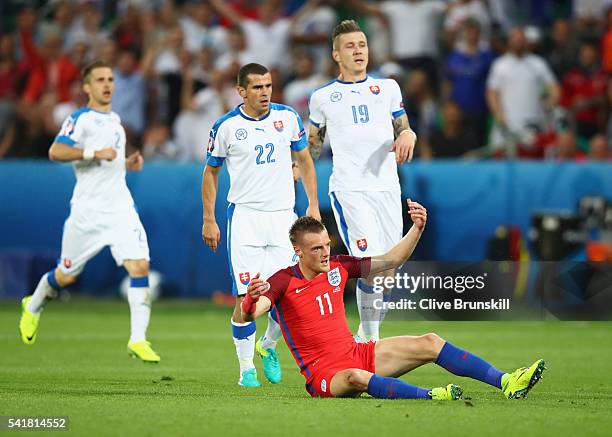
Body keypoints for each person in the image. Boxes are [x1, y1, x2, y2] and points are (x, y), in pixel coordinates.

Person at [241, 201, 546, 399]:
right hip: (325, 375)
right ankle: (431, 395)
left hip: (357, 353)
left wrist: (417, 228)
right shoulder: (283, 280)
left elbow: (391, 259)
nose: (324, 253)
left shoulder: (339, 266)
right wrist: (249, 301)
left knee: (430, 341)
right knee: (356, 377)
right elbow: (252, 313)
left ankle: (508, 382)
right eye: (316, 249)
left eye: (326, 245)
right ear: (299, 252)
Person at [18, 60, 160, 363]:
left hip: (120, 208)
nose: (107, 84)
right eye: (100, 80)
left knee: (139, 267)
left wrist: (126, 162)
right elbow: (56, 151)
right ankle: (33, 304)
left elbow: (108, 163)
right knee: (66, 275)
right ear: (87, 87)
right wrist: (93, 152)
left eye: (110, 79)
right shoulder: (79, 119)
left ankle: (138, 339)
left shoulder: (117, 122)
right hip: (87, 212)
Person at [202, 63, 320, 387]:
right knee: (248, 300)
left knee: (293, 294)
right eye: (257, 87)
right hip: (246, 219)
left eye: (268, 85)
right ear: (241, 91)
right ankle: (245, 371)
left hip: (284, 217)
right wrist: (209, 219)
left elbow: (306, 160)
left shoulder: (288, 119)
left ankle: (268, 345)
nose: (265, 92)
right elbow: (211, 172)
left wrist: (311, 204)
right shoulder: (226, 127)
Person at [308, 20, 416, 342]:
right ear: (336, 54)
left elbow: (403, 127)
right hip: (350, 189)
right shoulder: (323, 97)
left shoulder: (388, 88)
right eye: (350, 46)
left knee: (389, 271)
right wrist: (298, 168)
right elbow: (313, 145)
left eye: (362, 45)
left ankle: (362, 337)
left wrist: (408, 133)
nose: (358, 51)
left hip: (386, 187)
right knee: (370, 264)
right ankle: (371, 344)